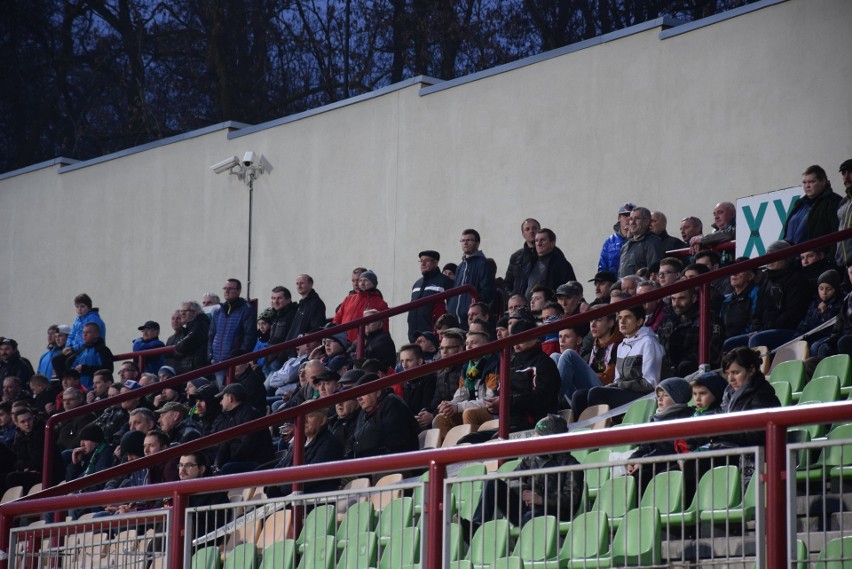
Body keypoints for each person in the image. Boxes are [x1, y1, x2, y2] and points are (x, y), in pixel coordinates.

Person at [468, 414, 583, 529]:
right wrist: (524, 491)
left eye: (538, 436)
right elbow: (511, 479)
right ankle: (476, 527)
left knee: (530, 517)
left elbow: (570, 500)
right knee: (492, 483)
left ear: (551, 438)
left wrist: (540, 499)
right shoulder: (531, 458)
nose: (534, 439)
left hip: (553, 514)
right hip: (527, 507)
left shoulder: (572, 465)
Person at [572, 305, 665, 418]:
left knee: (597, 393)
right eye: (620, 318)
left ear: (640, 321)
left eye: (628, 317)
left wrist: (619, 385)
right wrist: (614, 385)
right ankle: (580, 430)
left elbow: (651, 383)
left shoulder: (649, 343)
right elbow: (618, 379)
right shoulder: (622, 345)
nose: (622, 321)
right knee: (579, 395)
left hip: (645, 396)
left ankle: (599, 431)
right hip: (625, 392)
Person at [726, 241, 810, 350]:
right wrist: (756, 329)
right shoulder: (766, 281)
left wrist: (763, 330)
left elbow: (793, 314)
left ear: (786, 258)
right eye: (768, 256)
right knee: (729, 344)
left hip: (789, 331)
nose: (770, 260)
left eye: (774, 256)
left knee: (757, 340)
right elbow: (757, 313)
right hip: (764, 330)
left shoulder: (797, 280)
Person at [625, 377, 693, 488]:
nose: (660, 398)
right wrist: (632, 461)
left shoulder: (684, 418)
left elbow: (667, 448)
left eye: (666, 395)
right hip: (651, 463)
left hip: (667, 464)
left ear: (678, 398)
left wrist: (643, 461)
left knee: (642, 477)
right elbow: (645, 447)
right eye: (658, 395)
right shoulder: (655, 419)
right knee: (626, 479)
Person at [433, 330, 499, 437]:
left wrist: (458, 406)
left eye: (474, 343)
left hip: (495, 412)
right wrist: (449, 405)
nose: (469, 347)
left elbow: (490, 401)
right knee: (441, 418)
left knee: (469, 413)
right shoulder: (467, 368)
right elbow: (461, 395)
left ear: (486, 346)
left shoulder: (495, 364)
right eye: (467, 344)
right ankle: (447, 453)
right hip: (472, 408)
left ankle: (472, 450)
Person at [266, 407, 343, 497]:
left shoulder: (329, 444)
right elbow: (282, 465)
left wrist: (279, 487)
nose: (304, 420)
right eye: (302, 416)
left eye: (309, 416)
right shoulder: (299, 441)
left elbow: (311, 476)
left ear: (322, 421)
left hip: (313, 499)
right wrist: (271, 483)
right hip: (289, 494)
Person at [349, 373, 419, 459]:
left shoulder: (392, 404)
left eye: (363, 393)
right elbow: (353, 440)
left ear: (378, 392)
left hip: (394, 463)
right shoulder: (363, 413)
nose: (359, 398)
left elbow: (395, 443)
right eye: (358, 395)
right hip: (366, 464)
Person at [656, 288, 722, 375]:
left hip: (695, 374)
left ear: (694, 298)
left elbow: (713, 352)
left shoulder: (707, 317)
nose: (676, 304)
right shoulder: (667, 319)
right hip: (667, 373)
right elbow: (659, 346)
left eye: (681, 298)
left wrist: (682, 367)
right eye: (673, 299)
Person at [212, 383, 274, 474]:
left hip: (259, 463)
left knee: (227, 468)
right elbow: (225, 444)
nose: (220, 402)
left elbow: (247, 447)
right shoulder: (233, 416)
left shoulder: (251, 414)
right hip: (243, 460)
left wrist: (228, 461)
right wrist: (216, 464)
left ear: (231, 398)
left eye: (222, 398)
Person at [208, 279, 257, 386]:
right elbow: (211, 335)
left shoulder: (246, 309)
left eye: (230, 288)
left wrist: (240, 357)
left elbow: (250, 336)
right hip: (216, 361)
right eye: (225, 288)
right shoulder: (218, 311)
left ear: (239, 291)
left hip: (233, 363)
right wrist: (210, 355)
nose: (226, 291)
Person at [447, 229, 496, 329]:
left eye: (469, 240)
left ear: (477, 244)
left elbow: (488, 290)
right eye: (463, 240)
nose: (465, 243)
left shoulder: (483, 263)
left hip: (471, 319)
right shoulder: (460, 266)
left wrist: (473, 305)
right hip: (455, 320)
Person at [782, 165, 841, 245]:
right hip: (791, 255)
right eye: (804, 182)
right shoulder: (799, 203)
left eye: (811, 182)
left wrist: (826, 255)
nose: (807, 186)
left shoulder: (834, 202)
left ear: (823, 181)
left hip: (814, 256)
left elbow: (837, 234)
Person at [407, 250, 453, 342]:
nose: (423, 264)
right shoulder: (417, 284)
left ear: (435, 262)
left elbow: (451, 308)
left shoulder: (445, 282)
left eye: (426, 260)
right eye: (421, 261)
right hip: (415, 336)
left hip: (434, 336)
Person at [333, 270, 389, 342]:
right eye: (360, 280)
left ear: (373, 283)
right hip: (344, 342)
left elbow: (384, 326)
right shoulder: (349, 298)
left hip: (362, 343)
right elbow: (337, 319)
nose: (362, 283)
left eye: (366, 280)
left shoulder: (380, 303)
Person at [797, 270, 842, 354]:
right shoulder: (814, 303)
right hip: (811, 336)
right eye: (821, 289)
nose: (824, 292)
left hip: (827, 337)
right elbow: (805, 323)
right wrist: (796, 338)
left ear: (835, 289)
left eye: (829, 289)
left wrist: (824, 311)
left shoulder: (840, 303)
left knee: (814, 347)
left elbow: (832, 327)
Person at [525, 228, 576, 298]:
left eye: (542, 240)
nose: (539, 244)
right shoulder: (531, 264)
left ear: (552, 243)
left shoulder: (561, 264)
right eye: (536, 241)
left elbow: (572, 289)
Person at [61, 323, 114, 390]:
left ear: (96, 334)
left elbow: (108, 369)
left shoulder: (102, 350)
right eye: (83, 333)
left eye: (88, 332)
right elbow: (73, 366)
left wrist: (85, 369)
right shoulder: (81, 350)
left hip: (95, 390)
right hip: (80, 390)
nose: (84, 335)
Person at [619, 207, 665, 277]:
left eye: (637, 219)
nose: (632, 223)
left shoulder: (653, 243)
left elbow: (654, 271)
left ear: (646, 221)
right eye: (631, 219)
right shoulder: (626, 245)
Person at [505, 218, 541, 298]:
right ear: (523, 234)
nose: (531, 231)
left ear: (540, 231)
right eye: (527, 229)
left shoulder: (548, 254)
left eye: (534, 228)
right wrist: (512, 297)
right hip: (519, 304)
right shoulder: (516, 257)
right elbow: (507, 283)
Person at [265, 286, 298, 372]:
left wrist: (280, 358)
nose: (275, 301)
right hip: (270, 359)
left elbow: (291, 337)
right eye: (273, 298)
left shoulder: (293, 314)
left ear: (288, 299)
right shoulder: (275, 315)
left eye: (279, 298)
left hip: (280, 361)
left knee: (269, 385)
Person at [285, 274, 327, 341]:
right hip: (294, 345)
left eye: (302, 283)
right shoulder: (302, 304)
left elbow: (316, 327)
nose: (299, 286)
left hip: (304, 345)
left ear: (310, 284)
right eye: (297, 284)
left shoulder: (316, 303)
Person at [598, 203, 635, 275]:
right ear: (619, 218)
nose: (628, 218)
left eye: (631, 216)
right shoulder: (610, 241)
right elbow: (603, 266)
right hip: (614, 284)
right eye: (625, 215)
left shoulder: (639, 240)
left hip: (632, 284)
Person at [834, 159, 852, 266]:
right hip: (844, 263)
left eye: (850, 172)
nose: (846, 177)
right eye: (843, 173)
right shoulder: (843, 203)